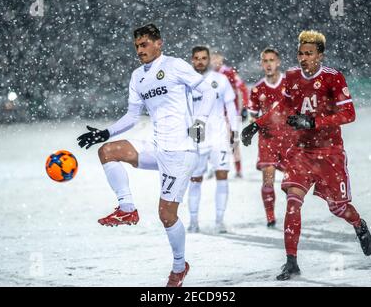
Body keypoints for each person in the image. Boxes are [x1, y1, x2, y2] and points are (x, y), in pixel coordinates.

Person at [77, 24, 215, 287]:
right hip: (156, 146)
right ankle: (127, 209)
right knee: (108, 151)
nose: (140, 51)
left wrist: (200, 122)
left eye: (144, 45)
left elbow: (207, 92)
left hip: (181, 150)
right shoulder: (137, 76)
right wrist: (105, 133)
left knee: (166, 215)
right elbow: (132, 116)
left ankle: (179, 267)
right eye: (137, 46)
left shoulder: (174, 65)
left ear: (158, 43)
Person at [241, 30, 371, 280]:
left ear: (320, 55)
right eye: (300, 53)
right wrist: (257, 124)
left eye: (309, 54)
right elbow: (284, 106)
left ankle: (358, 224)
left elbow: (349, 115)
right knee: (293, 201)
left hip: (330, 153)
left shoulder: (333, 78)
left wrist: (313, 121)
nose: (303, 58)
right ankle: (291, 262)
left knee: (338, 208)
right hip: (302, 152)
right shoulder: (292, 76)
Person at [187, 46, 239, 234]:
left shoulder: (220, 80)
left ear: (209, 60)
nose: (200, 61)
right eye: (196, 58)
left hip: (219, 137)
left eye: (203, 58)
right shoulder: (186, 82)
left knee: (222, 176)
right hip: (196, 138)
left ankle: (219, 221)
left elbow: (231, 107)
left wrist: (235, 132)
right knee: (195, 179)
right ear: (192, 60)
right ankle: (193, 222)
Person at [248, 48, 294, 228]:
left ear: (278, 62)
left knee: (292, 182)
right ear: (261, 64)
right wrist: (252, 126)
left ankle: (292, 214)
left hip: (289, 139)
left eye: (271, 60)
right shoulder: (257, 88)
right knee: (268, 177)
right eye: (265, 60)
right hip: (267, 139)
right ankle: (270, 217)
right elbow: (253, 115)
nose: (268, 64)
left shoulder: (289, 84)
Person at [210, 51, 249, 178]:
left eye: (217, 57)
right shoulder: (210, 75)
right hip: (216, 115)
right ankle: (215, 167)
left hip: (231, 114)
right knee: (214, 142)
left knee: (234, 142)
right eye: (213, 58)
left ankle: (238, 170)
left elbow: (242, 88)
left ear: (221, 58)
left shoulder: (229, 72)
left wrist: (244, 107)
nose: (215, 61)